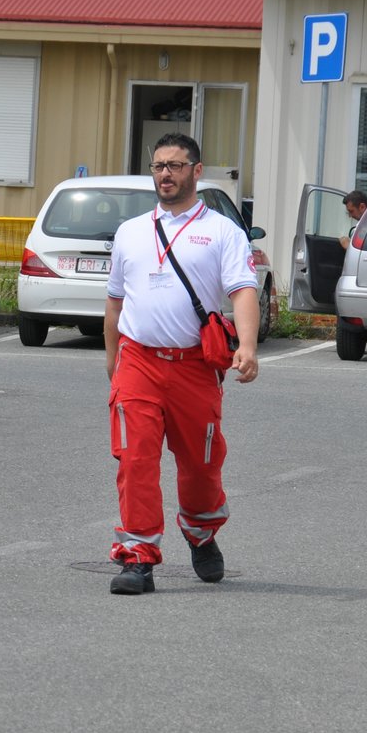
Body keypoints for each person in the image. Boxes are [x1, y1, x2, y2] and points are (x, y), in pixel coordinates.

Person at [103, 132, 261, 595]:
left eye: (174, 165)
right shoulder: (130, 232)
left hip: (194, 367)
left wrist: (247, 346)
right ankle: (138, 557)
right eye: (158, 166)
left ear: (196, 171)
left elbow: (243, 291)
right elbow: (115, 303)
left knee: (201, 465)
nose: (165, 174)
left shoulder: (222, 232)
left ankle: (201, 530)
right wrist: (113, 361)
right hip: (139, 363)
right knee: (135, 459)